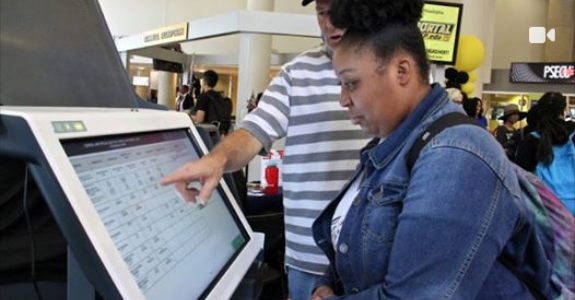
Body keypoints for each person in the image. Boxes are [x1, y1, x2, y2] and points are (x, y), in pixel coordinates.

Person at [309, 0, 560, 299]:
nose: (343, 99)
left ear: (402, 71)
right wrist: (328, 285)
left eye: (351, 83)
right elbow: (356, 238)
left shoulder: (457, 156)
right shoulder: (390, 149)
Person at [160, 0, 369, 298]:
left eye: (338, 10)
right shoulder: (296, 73)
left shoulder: (384, 70)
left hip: (371, 260)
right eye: (322, 13)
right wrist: (217, 158)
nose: (329, 22)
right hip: (308, 261)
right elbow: (254, 131)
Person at [515, 92, 575, 214]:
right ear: (563, 110)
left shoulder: (531, 139)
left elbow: (519, 176)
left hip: (544, 208)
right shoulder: (573, 134)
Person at [191, 70, 232, 135]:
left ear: (204, 82)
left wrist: (189, 116)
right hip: (218, 132)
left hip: (207, 133)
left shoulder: (203, 97)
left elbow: (199, 119)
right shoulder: (219, 96)